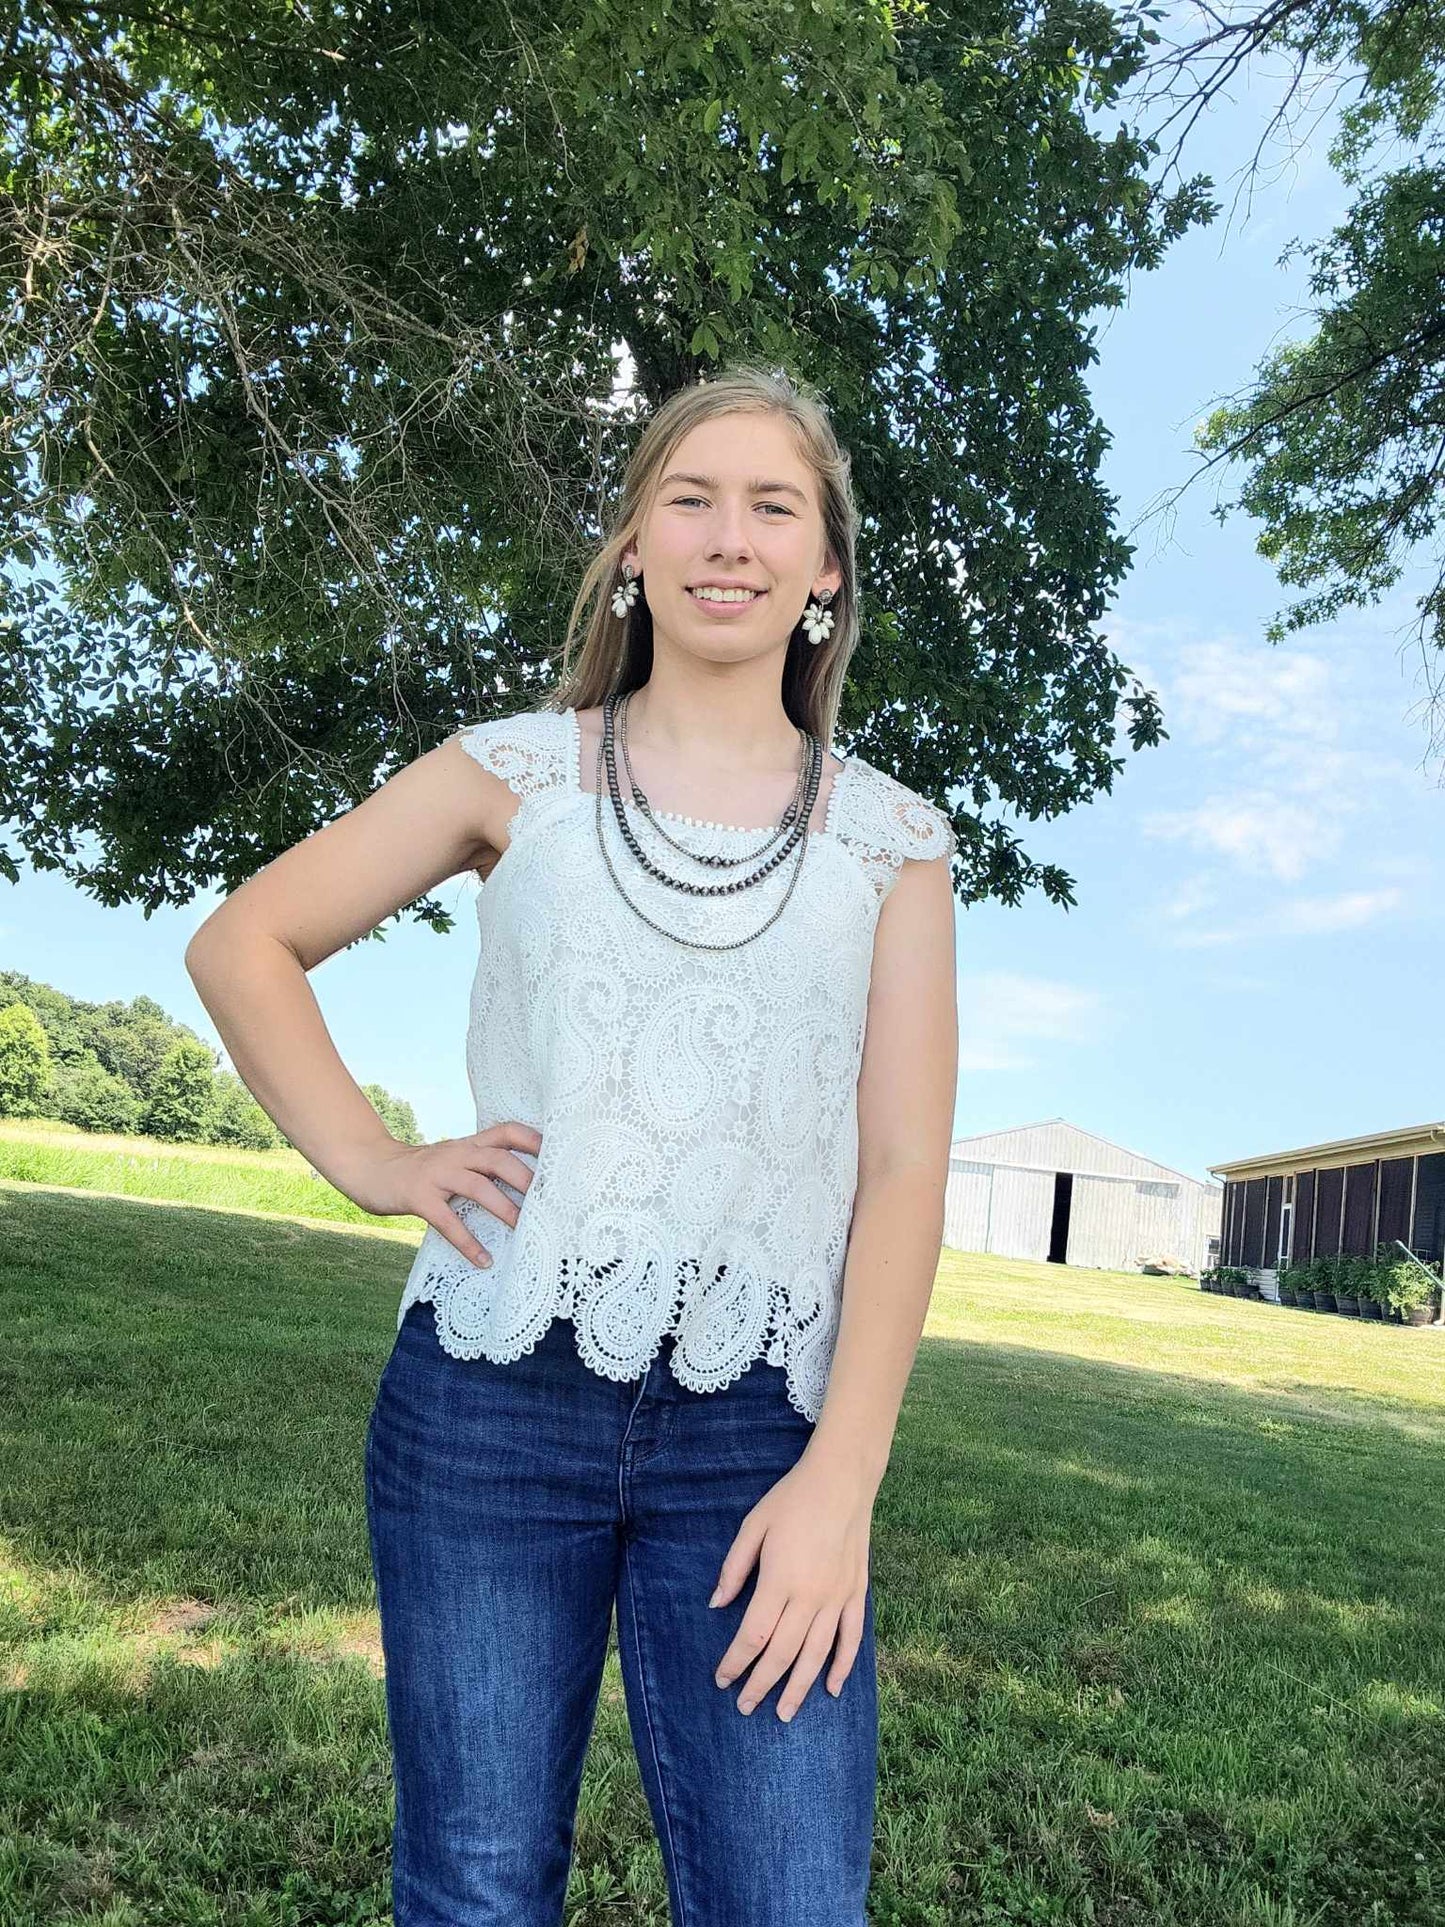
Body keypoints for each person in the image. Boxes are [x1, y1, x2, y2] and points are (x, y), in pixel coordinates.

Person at [185, 362, 959, 1926]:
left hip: (766, 1435)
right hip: (488, 1399)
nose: (724, 538)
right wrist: (379, 1162)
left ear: (824, 570)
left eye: (770, 507)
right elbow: (245, 941)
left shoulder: (894, 842)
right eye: (687, 499)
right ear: (629, 546)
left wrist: (843, 1486)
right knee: (473, 1888)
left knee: (789, 1899)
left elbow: (901, 1176)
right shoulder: (512, 771)